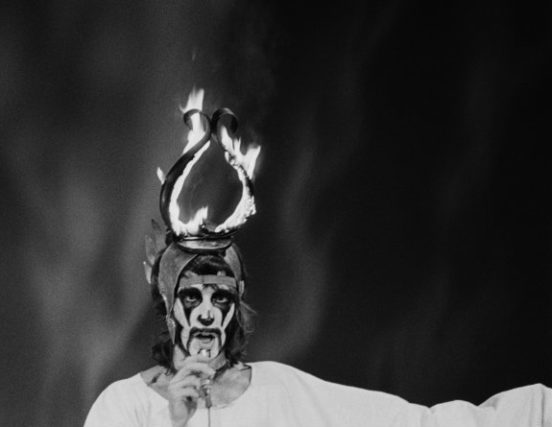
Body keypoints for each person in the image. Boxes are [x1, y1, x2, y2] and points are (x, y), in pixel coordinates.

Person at [84, 104, 552, 427]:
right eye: (192, 296)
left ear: (237, 300)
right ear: (167, 304)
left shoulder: (285, 393)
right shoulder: (125, 407)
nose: (207, 311)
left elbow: (417, 424)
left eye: (220, 296)